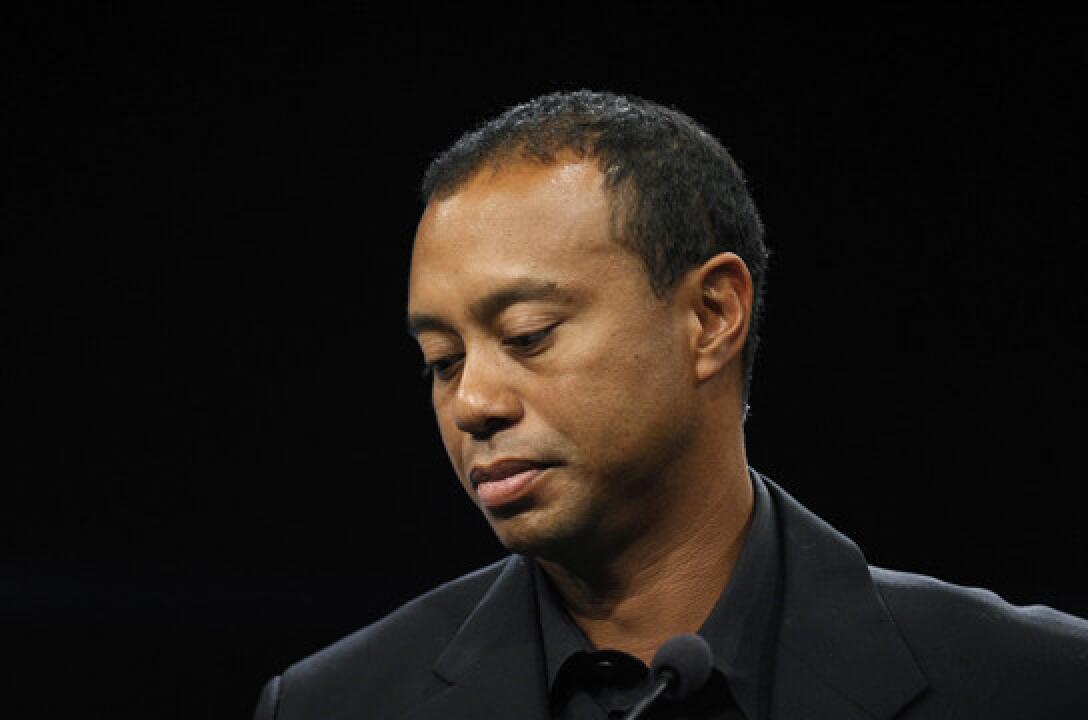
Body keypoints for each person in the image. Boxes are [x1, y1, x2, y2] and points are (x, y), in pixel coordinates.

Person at [252, 91, 1088, 719]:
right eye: (440, 360)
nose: (472, 401)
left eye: (530, 334)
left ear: (711, 316)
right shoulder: (334, 703)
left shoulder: (1031, 683)